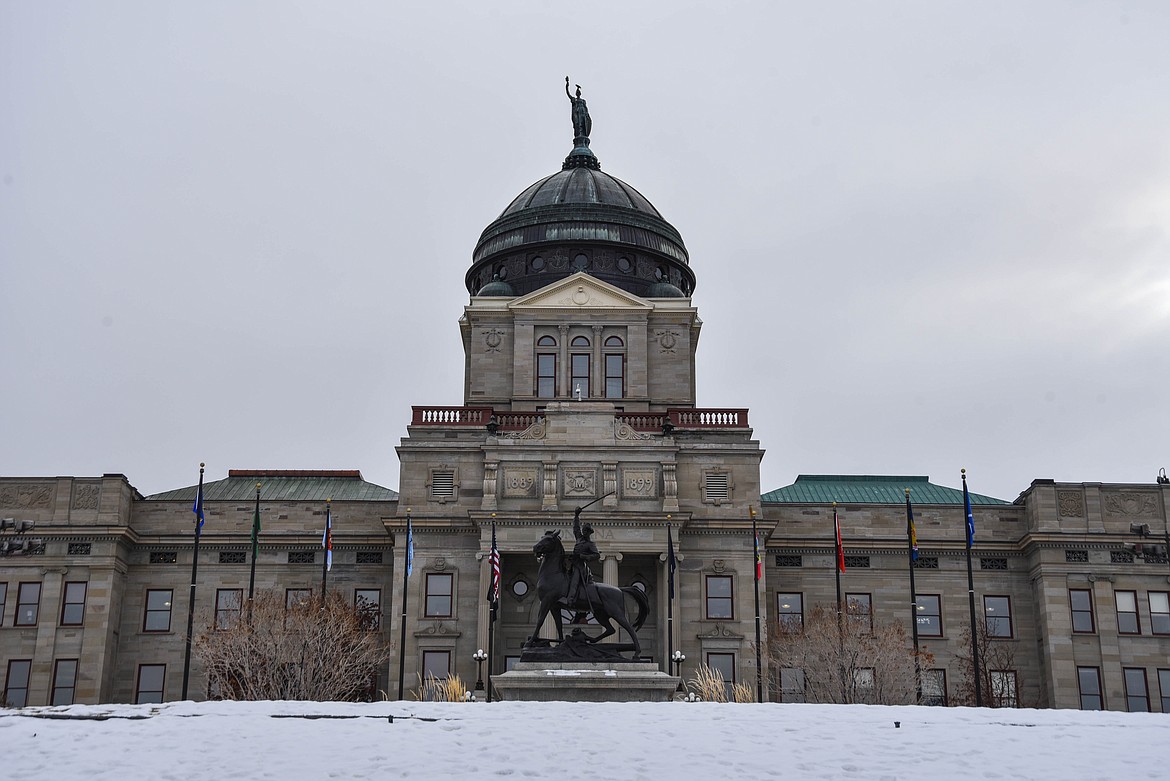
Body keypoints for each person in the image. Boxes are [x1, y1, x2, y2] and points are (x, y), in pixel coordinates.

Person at [566, 507, 599, 610]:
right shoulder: (579, 538)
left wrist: (584, 557)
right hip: (573, 564)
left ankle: (570, 600)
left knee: (575, 580)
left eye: (586, 531)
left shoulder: (590, 544)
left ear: (589, 533)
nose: (584, 532)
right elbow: (576, 528)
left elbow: (596, 555)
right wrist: (576, 515)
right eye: (584, 530)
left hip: (581, 567)